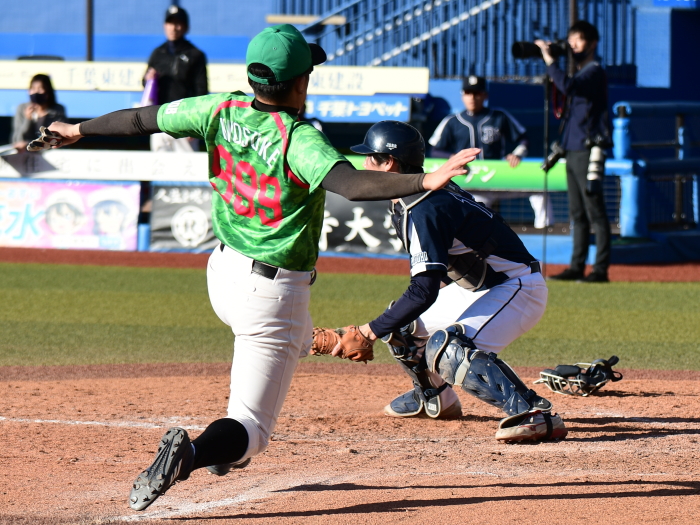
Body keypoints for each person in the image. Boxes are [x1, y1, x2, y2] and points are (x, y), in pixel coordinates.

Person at [46, 24, 479, 511]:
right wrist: (426, 178)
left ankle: (253, 416)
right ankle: (192, 454)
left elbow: (140, 119)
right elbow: (353, 185)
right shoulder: (299, 138)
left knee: (275, 346)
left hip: (222, 272)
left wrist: (76, 130)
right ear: (300, 84)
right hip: (272, 293)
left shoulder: (218, 108)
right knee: (251, 429)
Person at [344, 120, 567, 442]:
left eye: (370, 157)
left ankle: (535, 412)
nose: (364, 165)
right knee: (402, 325)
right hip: (480, 288)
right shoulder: (412, 198)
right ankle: (435, 397)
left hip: (517, 287)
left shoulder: (423, 206)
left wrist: (366, 332)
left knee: (448, 347)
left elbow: (424, 290)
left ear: (389, 163)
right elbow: (441, 276)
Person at [536, 21, 612, 283]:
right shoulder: (580, 73)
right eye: (570, 41)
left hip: (587, 150)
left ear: (592, 43)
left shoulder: (594, 71)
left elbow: (569, 87)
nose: (573, 46)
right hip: (571, 148)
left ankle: (600, 270)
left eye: (578, 40)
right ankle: (577, 266)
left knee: (595, 210)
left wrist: (550, 62)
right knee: (577, 213)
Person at [429, 75, 552, 229]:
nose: (472, 97)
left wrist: (517, 154)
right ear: (462, 96)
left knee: (539, 189)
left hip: (497, 177)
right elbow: (435, 150)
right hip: (471, 183)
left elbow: (524, 139)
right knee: (477, 225)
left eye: (477, 93)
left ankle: (545, 229)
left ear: (485, 95)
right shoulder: (452, 121)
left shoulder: (499, 116)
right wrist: (453, 158)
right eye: (468, 93)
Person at [144, 5, 208, 152]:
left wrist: (196, 122)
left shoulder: (195, 55)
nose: (174, 28)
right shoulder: (158, 53)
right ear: (164, 25)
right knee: (159, 164)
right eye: (170, 23)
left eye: (178, 23)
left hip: (184, 121)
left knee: (187, 165)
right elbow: (146, 85)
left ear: (186, 27)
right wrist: (148, 78)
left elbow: (201, 91)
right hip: (159, 120)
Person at [11, 74, 66, 150]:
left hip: (48, 152)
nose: (36, 92)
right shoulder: (22, 108)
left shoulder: (57, 110)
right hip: (26, 152)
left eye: (40, 89)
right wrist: (28, 119)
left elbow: (59, 139)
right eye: (33, 89)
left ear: (48, 92)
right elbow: (17, 139)